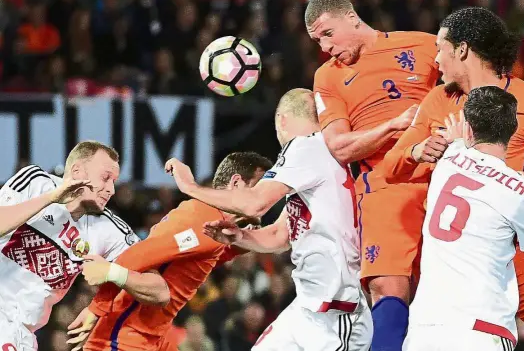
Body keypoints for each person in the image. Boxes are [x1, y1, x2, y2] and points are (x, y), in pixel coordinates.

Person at [380, 7, 524, 351]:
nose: (435, 60)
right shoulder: (437, 101)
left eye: (440, 48)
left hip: (512, 247)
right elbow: (391, 166)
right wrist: (416, 152)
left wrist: (515, 184)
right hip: (458, 254)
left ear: (462, 50)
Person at [172, 88, 373, 351]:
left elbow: (254, 203)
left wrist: (190, 187)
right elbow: (281, 236)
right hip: (306, 308)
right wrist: (242, 236)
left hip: (335, 314)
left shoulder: (307, 147)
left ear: (281, 119)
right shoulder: (314, 158)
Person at [305, 0, 439, 350]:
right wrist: (392, 127)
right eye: (318, 41)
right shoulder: (327, 77)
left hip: (443, 182)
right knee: (389, 288)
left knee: (446, 297)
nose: (325, 47)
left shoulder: (425, 46)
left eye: (327, 34)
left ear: (351, 16)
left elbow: (479, 88)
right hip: (384, 187)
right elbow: (339, 147)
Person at [67, 151, 273, 351]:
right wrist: (96, 308)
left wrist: (242, 243)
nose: (266, 200)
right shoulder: (201, 220)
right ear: (236, 183)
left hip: (150, 335)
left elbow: (202, 261)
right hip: (122, 338)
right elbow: (138, 255)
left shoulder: (214, 225)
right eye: (260, 189)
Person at [403, 86, 524, 351]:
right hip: (482, 330)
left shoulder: (449, 158)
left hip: (424, 330)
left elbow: (459, 141)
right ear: (512, 130)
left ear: (469, 128)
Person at [0, 141, 168, 351]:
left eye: (114, 181)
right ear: (77, 171)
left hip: (23, 334)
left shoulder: (112, 230)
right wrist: (50, 199)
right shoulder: (37, 182)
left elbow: (160, 291)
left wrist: (115, 272)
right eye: (105, 178)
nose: (112, 190)